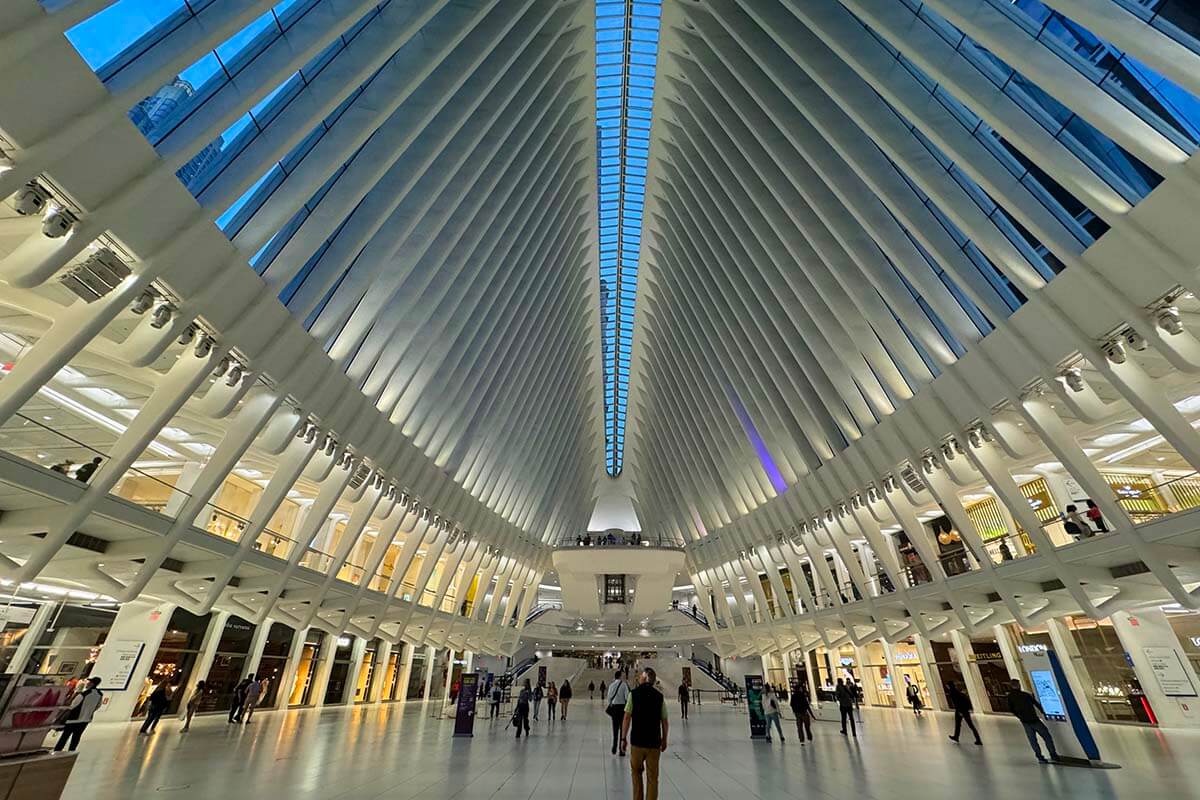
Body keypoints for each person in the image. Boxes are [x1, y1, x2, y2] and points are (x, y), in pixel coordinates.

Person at [621, 667, 668, 800]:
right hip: (654, 743)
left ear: (645, 677)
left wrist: (623, 738)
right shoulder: (659, 697)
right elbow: (664, 721)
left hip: (637, 742)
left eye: (641, 676)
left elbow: (626, 717)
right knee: (653, 778)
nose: (639, 677)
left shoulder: (633, 694)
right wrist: (664, 739)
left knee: (636, 774)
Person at [1007, 679, 1059, 763]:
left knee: (1033, 740)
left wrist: (1019, 716)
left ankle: (1040, 757)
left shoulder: (1010, 697)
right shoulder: (1025, 695)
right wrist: (1043, 712)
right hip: (1034, 719)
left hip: (1025, 721)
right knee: (1046, 736)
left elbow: (1011, 709)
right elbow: (1036, 703)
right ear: (1018, 685)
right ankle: (1053, 754)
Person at [54, 676, 103, 752]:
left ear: (92, 684)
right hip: (86, 719)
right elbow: (98, 706)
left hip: (74, 719)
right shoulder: (99, 694)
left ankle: (57, 750)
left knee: (65, 736)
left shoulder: (84, 694)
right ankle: (72, 751)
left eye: (89, 682)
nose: (87, 684)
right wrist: (90, 711)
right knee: (76, 737)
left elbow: (73, 705)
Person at [945, 681, 982, 745]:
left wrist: (959, 711)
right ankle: (957, 737)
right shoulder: (957, 691)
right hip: (964, 710)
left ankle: (978, 740)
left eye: (947, 686)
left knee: (964, 725)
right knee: (963, 725)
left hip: (960, 710)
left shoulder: (952, 693)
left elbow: (957, 703)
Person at [606, 670, 631, 755]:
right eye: (622, 675)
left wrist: (611, 704)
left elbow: (609, 697)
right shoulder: (624, 685)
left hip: (614, 708)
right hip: (622, 708)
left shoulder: (611, 685)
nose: (623, 676)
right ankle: (621, 749)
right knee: (622, 729)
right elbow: (627, 697)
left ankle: (614, 747)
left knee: (615, 728)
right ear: (620, 676)